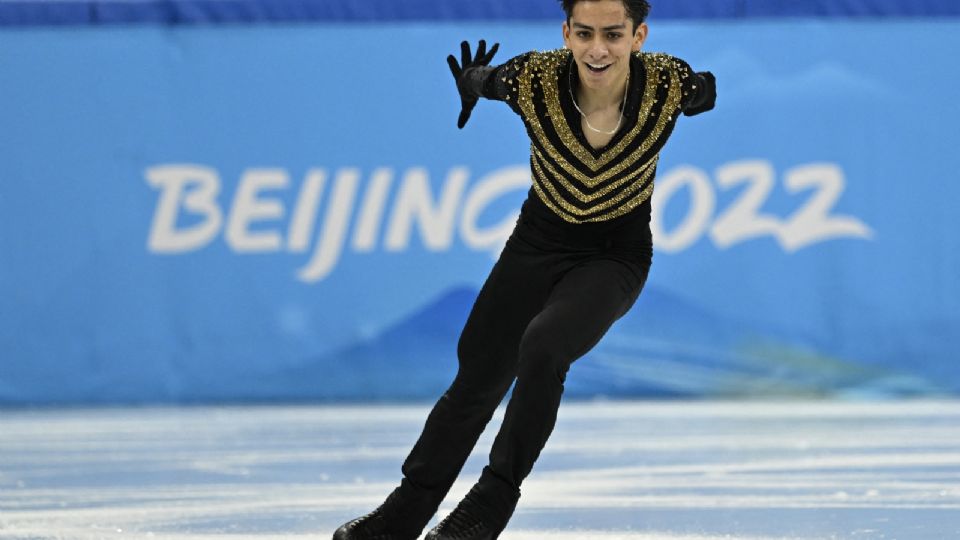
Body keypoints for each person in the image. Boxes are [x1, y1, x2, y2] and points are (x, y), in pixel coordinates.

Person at [333, 0, 715, 538]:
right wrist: (471, 83)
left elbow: (704, 90)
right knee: (477, 376)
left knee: (544, 345)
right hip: (537, 243)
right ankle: (405, 511)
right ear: (566, 33)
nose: (597, 49)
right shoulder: (533, 77)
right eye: (584, 33)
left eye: (613, 34)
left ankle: (487, 507)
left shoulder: (666, 83)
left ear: (639, 35)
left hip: (615, 254)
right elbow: (484, 80)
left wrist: (702, 90)